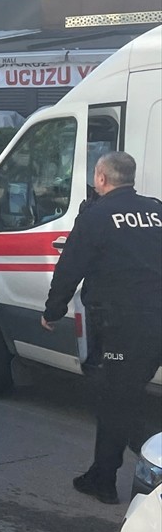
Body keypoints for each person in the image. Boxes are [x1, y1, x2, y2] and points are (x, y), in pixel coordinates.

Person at [41, 151, 162, 505]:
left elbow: (69, 268)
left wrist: (53, 310)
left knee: (114, 400)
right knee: (128, 395)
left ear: (101, 177)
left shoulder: (97, 216)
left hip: (121, 326)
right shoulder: (157, 209)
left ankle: (103, 479)